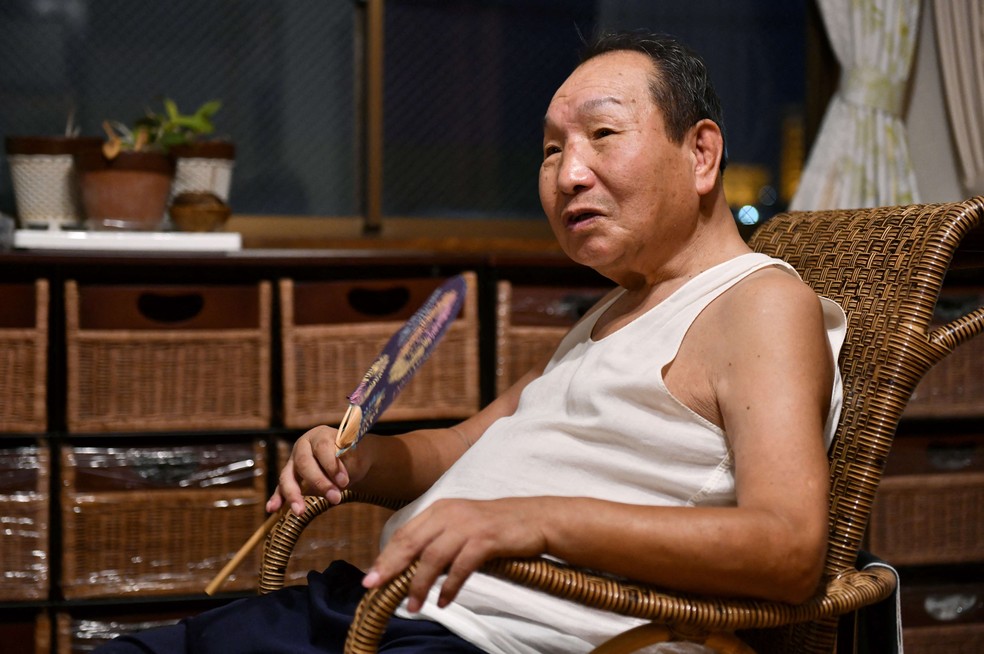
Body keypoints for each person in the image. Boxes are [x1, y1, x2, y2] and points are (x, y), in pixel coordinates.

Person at [96, 30, 845, 654]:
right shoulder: (614, 312)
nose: (567, 174)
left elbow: (787, 547)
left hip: (487, 636)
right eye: (550, 150)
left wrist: (533, 519)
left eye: (603, 135)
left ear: (702, 154)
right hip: (374, 606)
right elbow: (457, 449)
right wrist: (357, 460)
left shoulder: (759, 303)